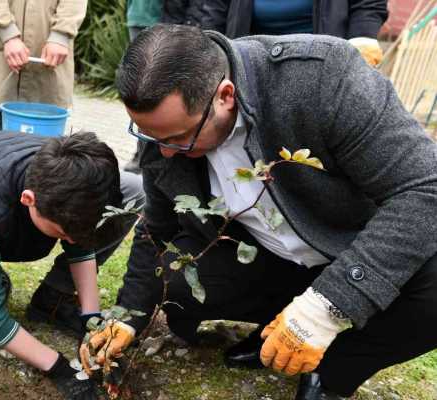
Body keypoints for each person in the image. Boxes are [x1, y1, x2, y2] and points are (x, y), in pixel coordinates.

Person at [80, 24, 437, 400]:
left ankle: (336, 365)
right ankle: (275, 330)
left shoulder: (322, 78)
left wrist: (328, 305)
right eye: (151, 137)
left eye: (177, 140)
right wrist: (129, 314)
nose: (164, 153)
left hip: (347, 246)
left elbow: (425, 187)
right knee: (177, 280)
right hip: (267, 258)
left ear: (225, 96)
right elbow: (158, 228)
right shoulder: (165, 130)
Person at [0, 130, 143, 399]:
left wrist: (91, 321)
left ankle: (52, 300)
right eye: (64, 233)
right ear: (29, 199)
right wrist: (59, 368)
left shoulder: (73, 179)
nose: (71, 241)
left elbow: (82, 242)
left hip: (11, 202)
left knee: (136, 189)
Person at [0, 0, 86, 130]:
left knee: (48, 139)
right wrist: (8, 34)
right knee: (7, 131)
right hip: (6, 47)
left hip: (52, 52)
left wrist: (61, 35)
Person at [203, 0, 388, 66]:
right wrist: (209, 53)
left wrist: (361, 41)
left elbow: (368, 5)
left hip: (322, 63)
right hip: (251, 65)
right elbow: (215, 9)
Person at [123, 0, 162, 175]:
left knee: (158, 93)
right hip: (138, 19)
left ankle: (151, 154)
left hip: (163, 21)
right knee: (139, 90)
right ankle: (142, 153)